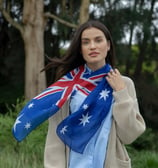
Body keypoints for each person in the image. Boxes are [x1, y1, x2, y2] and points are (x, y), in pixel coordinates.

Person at [43, 20, 146, 168]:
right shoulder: (67, 85)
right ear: (80, 49)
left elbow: (129, 135)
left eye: (98, 40)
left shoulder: (124, 84)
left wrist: (121, 93)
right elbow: (55, 137)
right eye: (86, 42)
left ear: (108, 45)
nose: (92, 46)